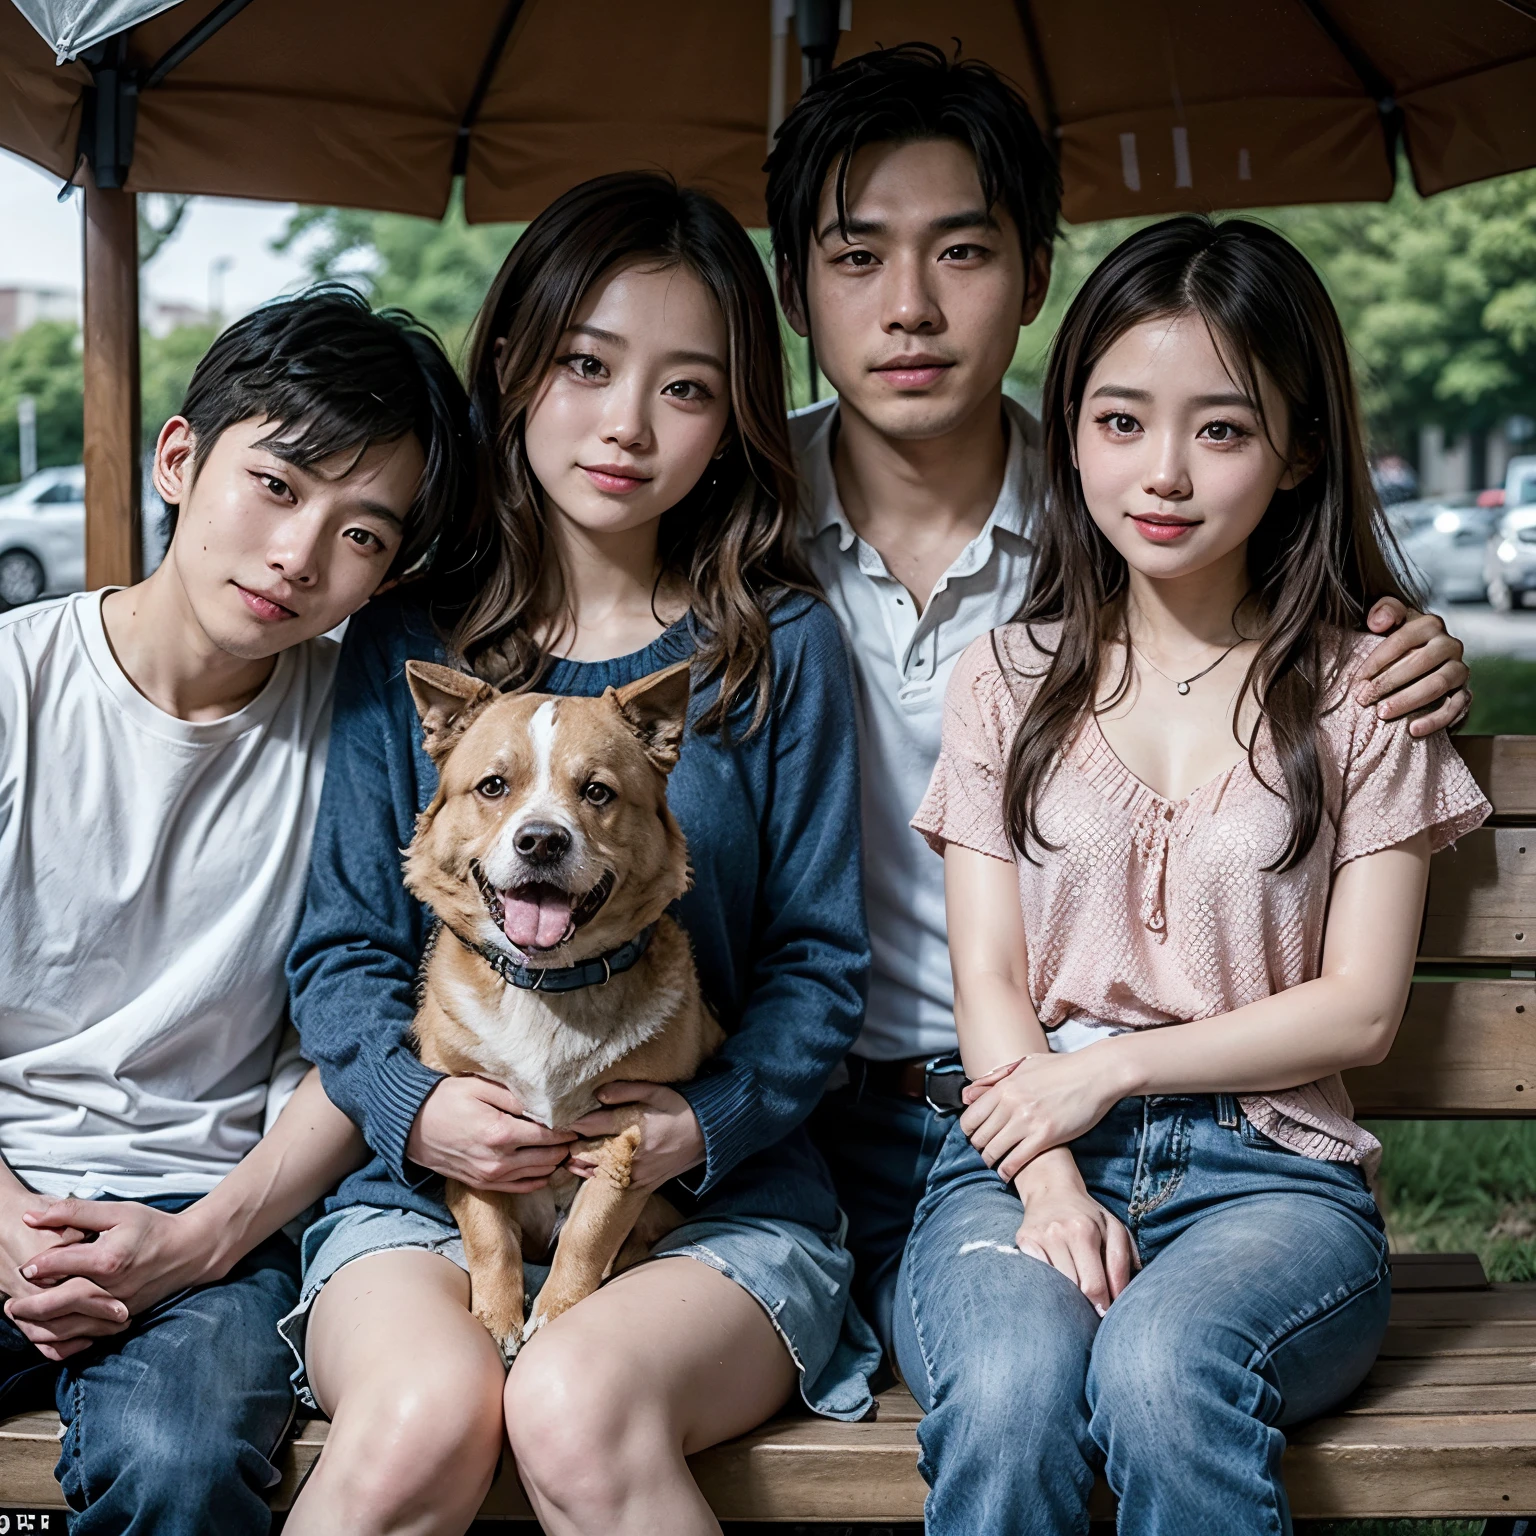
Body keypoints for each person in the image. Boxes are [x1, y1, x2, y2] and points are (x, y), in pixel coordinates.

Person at [762, 39, 1475, 1357]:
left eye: (962, 252)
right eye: (856, 255)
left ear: (1037, 274)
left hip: (1062, 1112)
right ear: (797, 286)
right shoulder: (731, 535)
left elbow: (1298, 629)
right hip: (790, 1114)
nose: (908, 307)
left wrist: (1411, 641)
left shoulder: (1129, 517)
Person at [281, 171, 879, 1536]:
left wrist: (701, 1126)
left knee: (571, 1399)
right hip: (434, 1197)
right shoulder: (404, 646)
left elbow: (819, 967)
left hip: (713, 1205)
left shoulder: (774, 653)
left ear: (734, 420)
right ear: (514, 366)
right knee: (420, 1422)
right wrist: (416, 1111)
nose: (625, 424)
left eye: (686, 387)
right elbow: (340, 951)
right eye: (587, 365)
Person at [904, 214, 1491, 1533]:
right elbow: (990, 976)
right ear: (1072, 432)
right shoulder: (1003, 681)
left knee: (1163, 1371)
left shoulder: (1365, 694)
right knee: (1006, 1388)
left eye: (1220, 430)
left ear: (1298, 455)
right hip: (1020, 1156)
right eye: (1120, 422)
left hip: (1272, 1177)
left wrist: (1108, 1066)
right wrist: (1048, 1181)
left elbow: (1361, 1011)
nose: (1161, 472)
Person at [0, 287, 475, 1535]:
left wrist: (205, 1241)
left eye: (363, 534)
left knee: (177, 1460)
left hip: (217, 1208)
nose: (300, 555)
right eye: (276, 484)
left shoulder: (370, 729)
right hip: (2, 1178)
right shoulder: (16, 685)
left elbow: (382, 1023)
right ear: (177, 458)